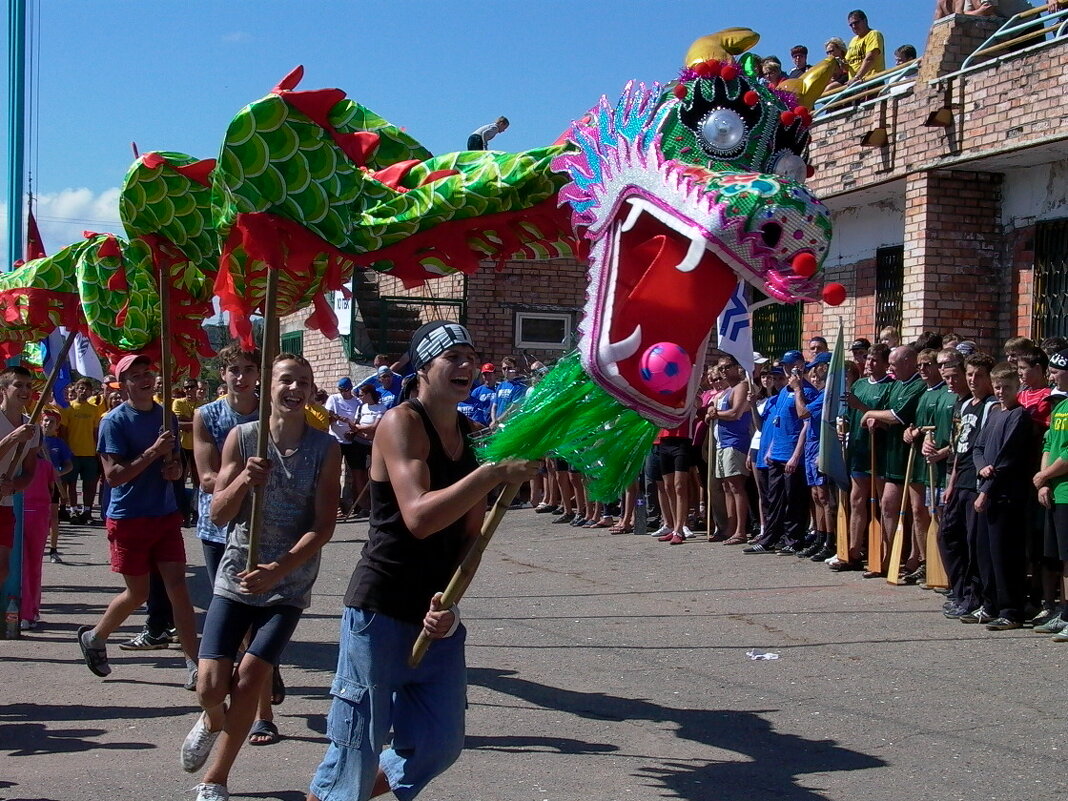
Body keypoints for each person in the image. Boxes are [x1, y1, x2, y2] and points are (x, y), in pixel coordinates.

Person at [307, 321, 538, 801]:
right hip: (380, 607)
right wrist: (493, 472)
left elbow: (469, 539)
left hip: (434, 616)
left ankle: (335, 795)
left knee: (437, 745)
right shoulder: (401, 423)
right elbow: (418, 516)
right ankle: (336, 794)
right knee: (356, 749)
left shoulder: (472, 434)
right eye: (453, 356)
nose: (467, 365)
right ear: (422, 368)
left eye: (471, 356)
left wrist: (449, 607)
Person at [181, 353, 340, 801]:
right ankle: (212, 719)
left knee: (251, 678)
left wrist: (279, 569)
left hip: (287, 585)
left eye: (303, 382)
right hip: (235, 577)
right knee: (211, 686)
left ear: (311, 391)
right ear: (267, 387)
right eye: (287, 380)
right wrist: (242, 483)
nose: (295, 389)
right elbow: (218, 511)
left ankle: (216, 778)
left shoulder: (326, 448)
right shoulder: (243, 437)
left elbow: (323, 525)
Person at [76, 354, 199, 688]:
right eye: (136, 375)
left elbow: (176, 465)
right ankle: (96, 637)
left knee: (179, 590)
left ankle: (194, 664)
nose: (145, 379)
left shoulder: (166, 417)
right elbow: (114, 476)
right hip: (129, 518)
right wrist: (152, 453)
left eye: (148, 373)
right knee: (138, 593)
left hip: (164, 514)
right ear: (124, 384)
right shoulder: (112, 421)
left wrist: (175, 471)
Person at [971, 362, 1034, 629]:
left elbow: (1007, 459)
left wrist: (986, 489)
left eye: (1006, 387)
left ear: (1017, 388)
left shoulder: (1019, 416)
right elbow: (978, 447)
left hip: (1006, 495)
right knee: (985, 553)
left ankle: (1011, 609)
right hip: (988, 489)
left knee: (1004, 554)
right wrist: (981, 466)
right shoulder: (995, 414)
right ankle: (990, 603)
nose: (1000, 392)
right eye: (997, 387)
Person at [859, 346, 926, 578]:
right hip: (891, 455)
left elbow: (896, 415)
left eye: (894, 364)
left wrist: (870, 415)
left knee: (916, 511)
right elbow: (885, 413)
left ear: (908, 362)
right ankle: (888, 558)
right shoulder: (896, 383)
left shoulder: (917, 385)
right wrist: (876, 419)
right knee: (887, 504)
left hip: (911, 457)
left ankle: (915, 558)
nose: (890, 368)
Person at [941, 353, 997, 620]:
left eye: (979, 375)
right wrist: (951, 483)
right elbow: (959, 450)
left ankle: (975, 597)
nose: (973, 380)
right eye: (970, 374)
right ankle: (960, 591)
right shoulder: (964, 406)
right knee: (948, 536)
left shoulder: (990, 406)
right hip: (959, 480)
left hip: (976, 483)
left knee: (973, 544)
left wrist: (984, 487)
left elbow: (984, 448)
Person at [745, 351, 814, 554]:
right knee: (774, 499)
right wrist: (771, 448)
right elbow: (774, 422)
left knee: (794, 500)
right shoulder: (783, 392)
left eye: (790, 365)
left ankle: (794, 539)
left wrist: (796, 455)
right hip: (777, 453)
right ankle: (771, 537)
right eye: (784, 365)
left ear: (800, 365)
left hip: (793, 455)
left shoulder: (806, 391)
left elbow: (806, 423)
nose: (786, 369)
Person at [835, 343, 893, 570]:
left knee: (881, 502)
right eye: (868, 359)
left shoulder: (890, 386)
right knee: (856, 500)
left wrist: (859, 406)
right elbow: (849, 415)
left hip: (879, 452)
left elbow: (887, 420)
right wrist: (843, 426)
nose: (869, 364)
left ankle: (885, 554)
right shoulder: (858, 384)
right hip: (859, 450)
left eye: (875, 360)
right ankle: (854, 550)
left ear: (886, 363)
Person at [0, 366, 41, 589]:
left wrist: (13, 486)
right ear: (4, 389)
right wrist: (13, 437)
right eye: (18, 385)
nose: (25, 390)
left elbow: (29, 472)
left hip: (4, 504)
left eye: (28, 385)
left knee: (2, 570)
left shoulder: (32, 428)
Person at [60, 377, 105, 525]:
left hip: (89, 453)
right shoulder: (68, 409)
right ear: (76, 389)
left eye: (87, 389)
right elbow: (64, 432)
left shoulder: (94, 410)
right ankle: (73, 510)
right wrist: (66, 452)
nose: (83, 391)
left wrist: (98, 450)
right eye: (81, 388)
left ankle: (87, 511)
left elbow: (96, 431)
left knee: (89, 484)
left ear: (90, 392)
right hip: (73, 454)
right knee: (71, 484)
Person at [326, 377, 363, 516]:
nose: (343, 393)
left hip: (352, 441)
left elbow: (359, 419)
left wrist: (353, 432)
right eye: (341, 390)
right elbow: (329, 413)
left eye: (345, 390)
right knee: (335, 473)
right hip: (336, 439)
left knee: (356, 473)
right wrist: (342, 419)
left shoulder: (357, 402)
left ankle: (358, 504)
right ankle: (336, 506)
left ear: (350, 389)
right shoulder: (334, 399)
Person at [41, 409, 73, 563]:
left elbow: (69, 466)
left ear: (57, 426)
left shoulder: (59, 444)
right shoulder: (33, 440)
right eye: (45, 420)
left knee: (53, 517)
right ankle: (35, 547)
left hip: (53, 485)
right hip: (35, 485)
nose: (47, 423)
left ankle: (53, 549)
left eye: (51, 421)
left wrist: (58, 473)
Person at [845, 10, 886, 85]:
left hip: (871, 81)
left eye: (856, 22)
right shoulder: (853, 41)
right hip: (855, 85)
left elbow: (870, 58)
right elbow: (848, 64)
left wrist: (857, 77)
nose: (854, 26)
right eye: (851, 25)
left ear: (865, 21)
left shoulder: (873, 34)